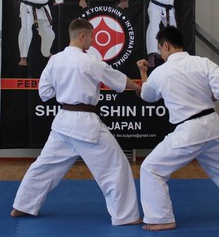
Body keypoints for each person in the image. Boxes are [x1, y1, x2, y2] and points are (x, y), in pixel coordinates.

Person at [11, 18, 141, 225]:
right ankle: (125, 216)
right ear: (82, 36)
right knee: (116, 166)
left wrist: (66, 89)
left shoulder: (55, 60)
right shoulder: (89, 61)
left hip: (63, 122)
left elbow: (44, 93)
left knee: (45, 166)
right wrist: (139, 87)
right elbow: (118, 79)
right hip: (85, 123)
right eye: (91, 36)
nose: (92, 40)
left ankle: (22, 206)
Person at [136, 26, 219, 231]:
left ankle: (161, 218)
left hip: (189, 130)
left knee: (151, 169)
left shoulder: (161, 72)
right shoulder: (204, 63)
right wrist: (212, 96)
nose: (161, 53)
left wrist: (143, 72)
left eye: (160, 48)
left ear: (166, 46)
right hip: (212, 124)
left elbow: (148, 96)